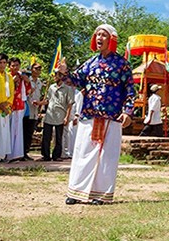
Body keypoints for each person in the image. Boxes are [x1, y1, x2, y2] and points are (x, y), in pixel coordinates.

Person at [57, 24, 136, 205]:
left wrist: (128, 111)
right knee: (82, 152)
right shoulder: (91, 62)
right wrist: (64, 72)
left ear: (112, 40)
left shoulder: (122, 64)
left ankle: (100, 195)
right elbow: (75, 80)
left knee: (107, 156)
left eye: (103, 35)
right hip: (89, 115)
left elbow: (130, 90)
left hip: (111, 116)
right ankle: (76, 192)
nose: (99, 37)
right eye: (97, 34)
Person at [41, 69, 74, 161]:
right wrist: (39, 103)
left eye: (57, 75)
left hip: (60, 114)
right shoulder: (51, 87)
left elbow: (70, 104)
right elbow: (47, 100)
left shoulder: (68, 89)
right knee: (46, 136)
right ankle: (46, 155)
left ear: (61, 77)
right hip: (50, 114)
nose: (55, 77)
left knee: (59, 137)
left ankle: (56, 155)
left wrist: (67, 117)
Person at [6, 57, 28, 162]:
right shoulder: (7, 77)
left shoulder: (22, 77)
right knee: (9, 130)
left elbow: (28, 91)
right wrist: (12, 82)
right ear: (9, 66)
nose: (15, 67)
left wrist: (27, 81)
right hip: (9, 107)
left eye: (17, 65)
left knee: (18, 131)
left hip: (20, 106)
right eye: (13, 65)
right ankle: (7, 154)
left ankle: (17, 154)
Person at [24, 64, 44, 161]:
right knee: (24, 130)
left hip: (35, 110)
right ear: (32, 69)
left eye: (40, 69)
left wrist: (41, 104)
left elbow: (40, 95)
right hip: (27, 108)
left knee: (30, 132)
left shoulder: (40, 82)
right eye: (36, 68)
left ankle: (26, 151)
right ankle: (22, 151)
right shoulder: (27, 80)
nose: (38, 70)